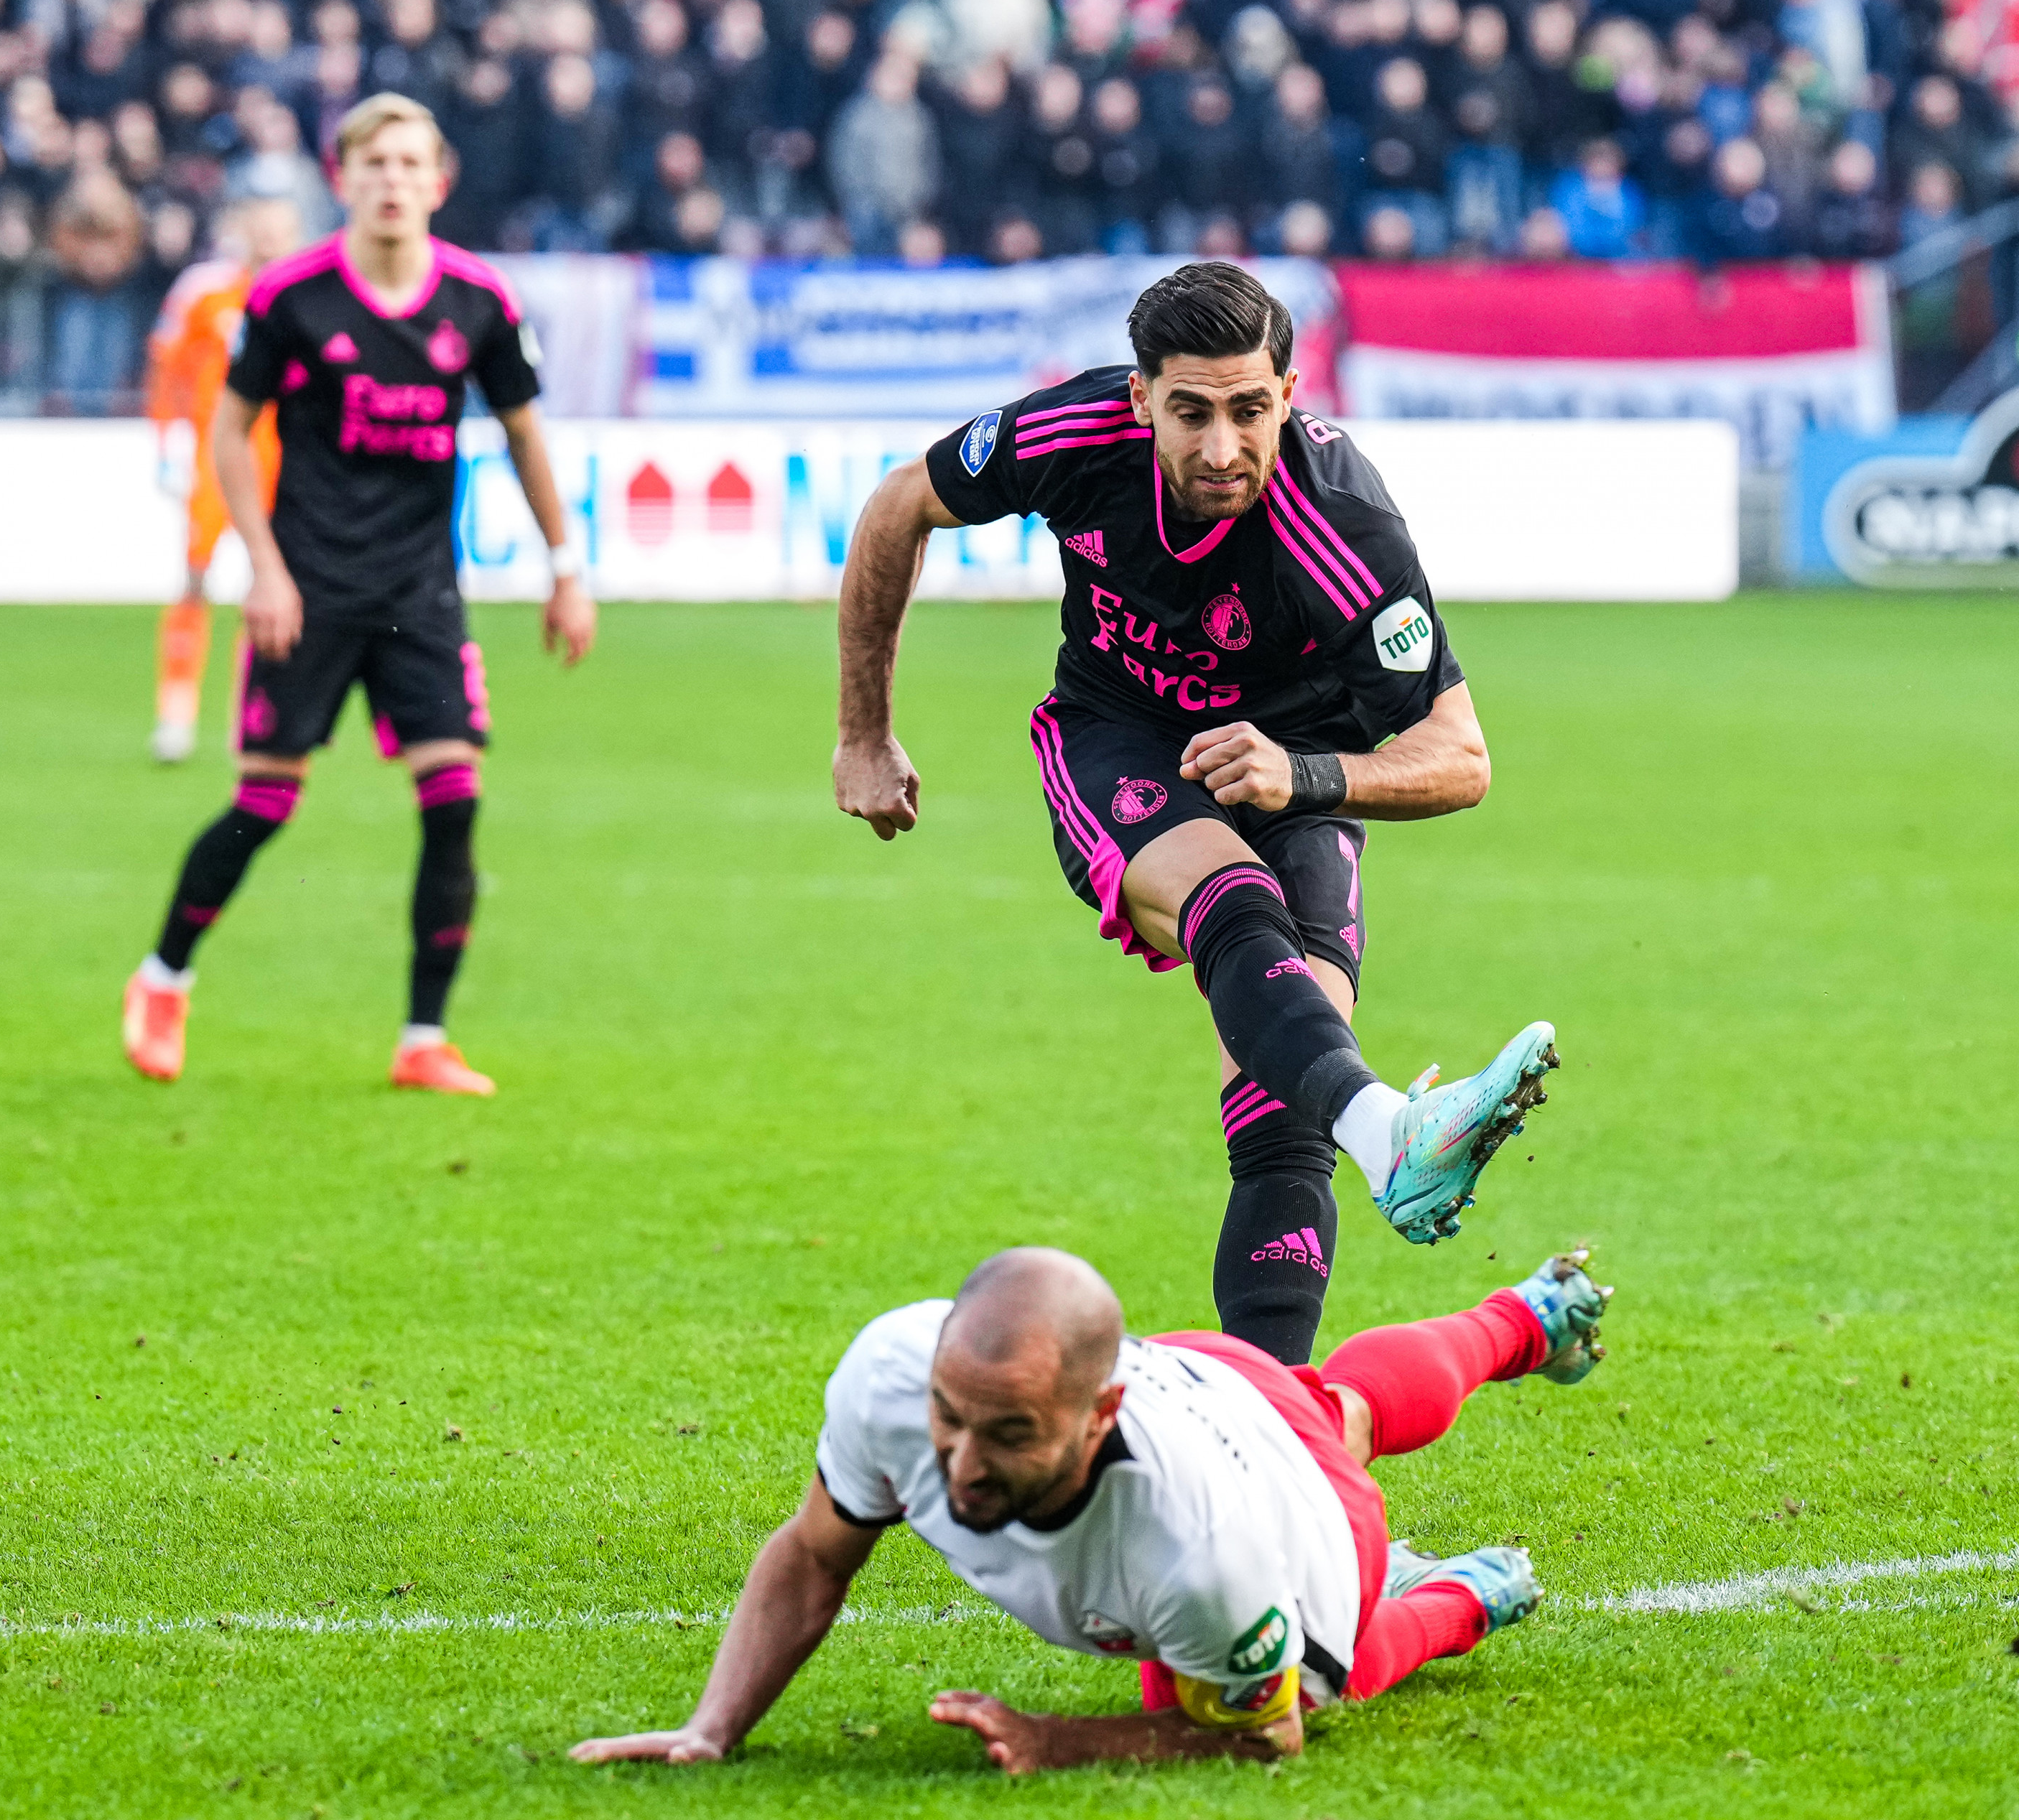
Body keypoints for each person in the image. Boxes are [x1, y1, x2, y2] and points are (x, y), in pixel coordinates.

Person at [829, 262, 1556, 1367]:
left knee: (1281, 1126)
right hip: (1119, 743)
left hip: (1295, 769)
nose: (1224, 448)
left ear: (1292, 391)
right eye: (1192, 412)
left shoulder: (1343, 524)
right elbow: (899, 505)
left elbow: (1460, 759)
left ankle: (1279, 1445)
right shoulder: (1070, 437)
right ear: (1139, 401)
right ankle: (1392, 1135)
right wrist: (865, 734)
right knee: (1236, 903)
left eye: (1250, 410)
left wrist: (1304, 779)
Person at [569, 1243, 1612, 1775]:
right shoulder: (889, 1376)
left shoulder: (1201, 1555)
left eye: (1010, 1436)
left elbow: (1267, 1740)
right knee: (1337, 1401)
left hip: (1309, 1518)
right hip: (1207, 1375)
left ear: (1095, 1411)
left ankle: (1468, 1597)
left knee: (1303, 1669)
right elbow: (813, 1556)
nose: (962, 1468)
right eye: (951, 1417)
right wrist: (710, 1729)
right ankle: (1522, 1317)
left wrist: (1061, 1738)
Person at [120, 93, 596, 1095]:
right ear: (342, 179)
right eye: (373, 164)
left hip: (419, 593)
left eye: (409, 163)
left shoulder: (478, 301)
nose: (392, 181)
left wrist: (566, 566)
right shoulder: (292, 297)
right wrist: (266, 568)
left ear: (439, 181)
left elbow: (522, 434)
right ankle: (163, 977)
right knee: (264, 804)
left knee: (455, 798)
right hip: (310, 587)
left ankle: (423, 1038)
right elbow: (228, 432)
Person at [141, 195, 305, 763]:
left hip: (284, 463)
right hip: (217, 461)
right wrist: (167, 444)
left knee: (274, 588)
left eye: (280, 229)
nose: (269, 240)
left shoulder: (306, 299)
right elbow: (169, 370)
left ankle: (255, 715)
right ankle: (175, 714)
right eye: (260, 227)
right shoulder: (206, 293)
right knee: (195, 578)